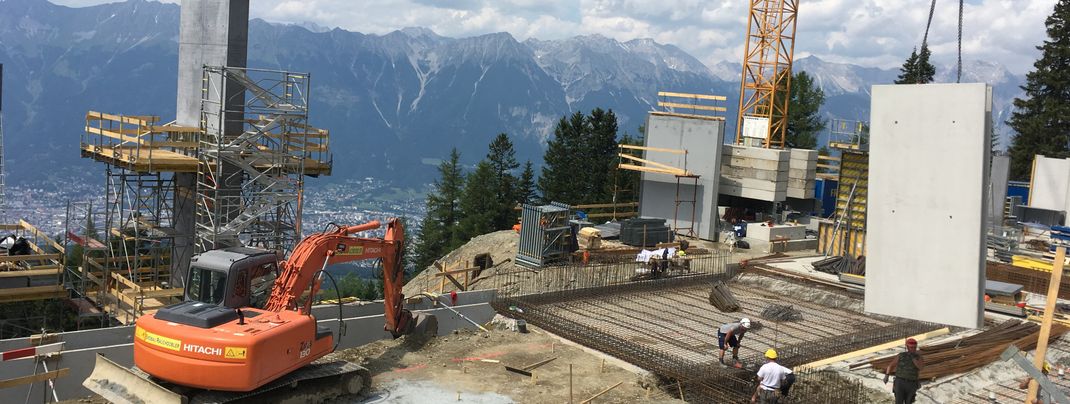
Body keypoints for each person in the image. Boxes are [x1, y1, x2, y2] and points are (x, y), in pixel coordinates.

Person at [884, 338, 924, 404]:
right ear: (907, 347)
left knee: (909, 401)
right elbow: (891, 366)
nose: (913, 349)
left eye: (914, 347)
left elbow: (921, 367)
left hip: (912, 383)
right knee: (898, 401)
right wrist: (887, 376)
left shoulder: (918, 357)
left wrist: (914, 360)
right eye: (911, 347)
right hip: (900, 382)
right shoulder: (901, 355)